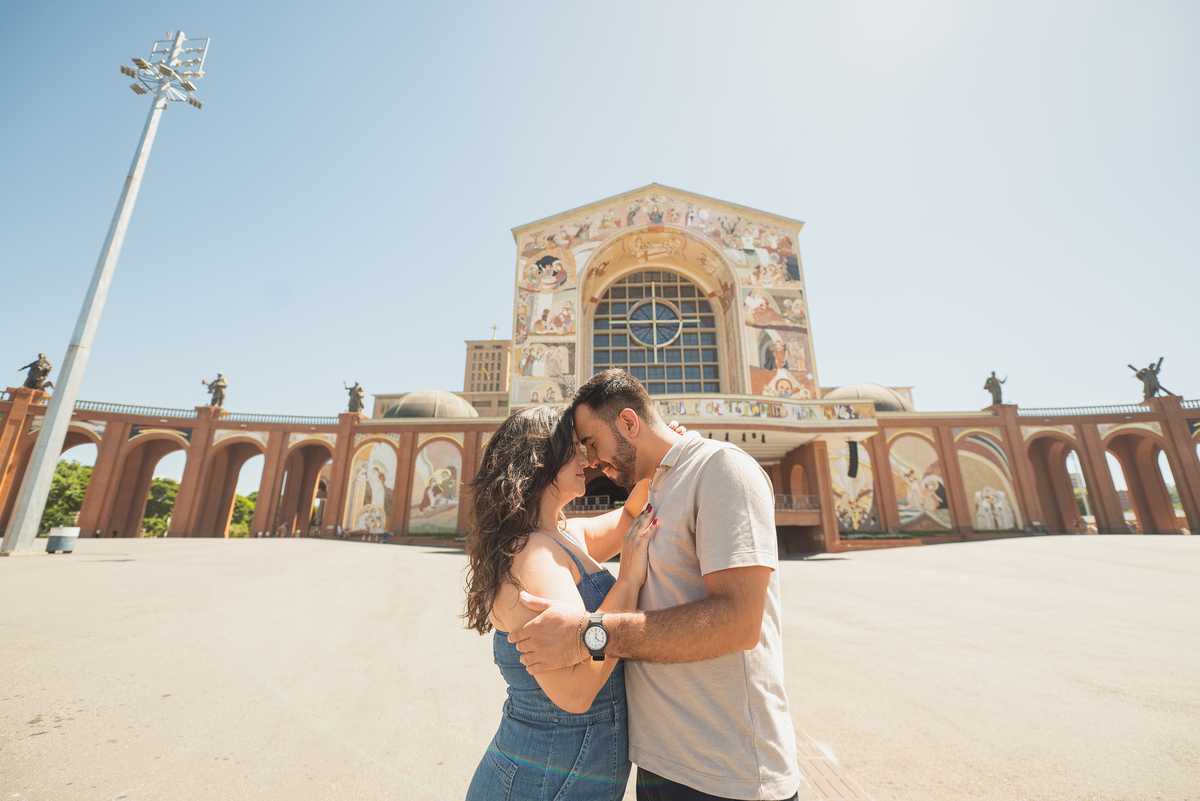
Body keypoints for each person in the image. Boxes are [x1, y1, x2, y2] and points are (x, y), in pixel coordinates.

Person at [509, 369, 801, 801]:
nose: (590, 460)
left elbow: (740, 622)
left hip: (728, 772)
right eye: (580, 449)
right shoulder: (656, 486)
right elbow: (629, 515)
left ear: (629, 422)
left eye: (591, 443)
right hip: (656, 766)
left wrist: (591, 633)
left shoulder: (721, 469)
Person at [462, 406, 660, 801]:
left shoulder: (562, 534)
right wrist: (627, 580)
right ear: (537, 461)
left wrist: (657, 453)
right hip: (541, 783)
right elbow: (575, 692)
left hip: (560, 773)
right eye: (573, 450)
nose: (586, 460)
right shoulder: (532, 556)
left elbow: (629, 518)